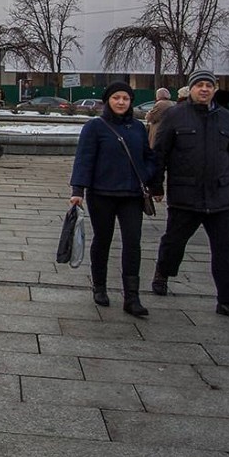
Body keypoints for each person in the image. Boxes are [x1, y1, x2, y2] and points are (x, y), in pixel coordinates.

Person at [148, 69, 229, 322]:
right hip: (186, 195)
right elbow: (160, 152)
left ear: (215, 89)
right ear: (191, 89)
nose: (204, 89)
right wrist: (156, 186)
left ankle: (228, 301)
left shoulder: (225, 118)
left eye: (209, 85)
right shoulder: (174, 115)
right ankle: (163, 272)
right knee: (174, 243)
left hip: (220, 196)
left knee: (225, 251)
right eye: (199, 85)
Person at [68, 81, 155, 316]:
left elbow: (149, 156)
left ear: (130, 102)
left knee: (132, 243)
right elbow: (84, 160)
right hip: (102, 194)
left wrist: (148, 176)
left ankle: (132, 297)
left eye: (125, 99)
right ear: (108, 100)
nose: (121, 102)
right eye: (116, 98)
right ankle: (100, 287)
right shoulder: (95, 127)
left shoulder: (138, 127)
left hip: (131, 195)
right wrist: (78, 191)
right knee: (102, 240)